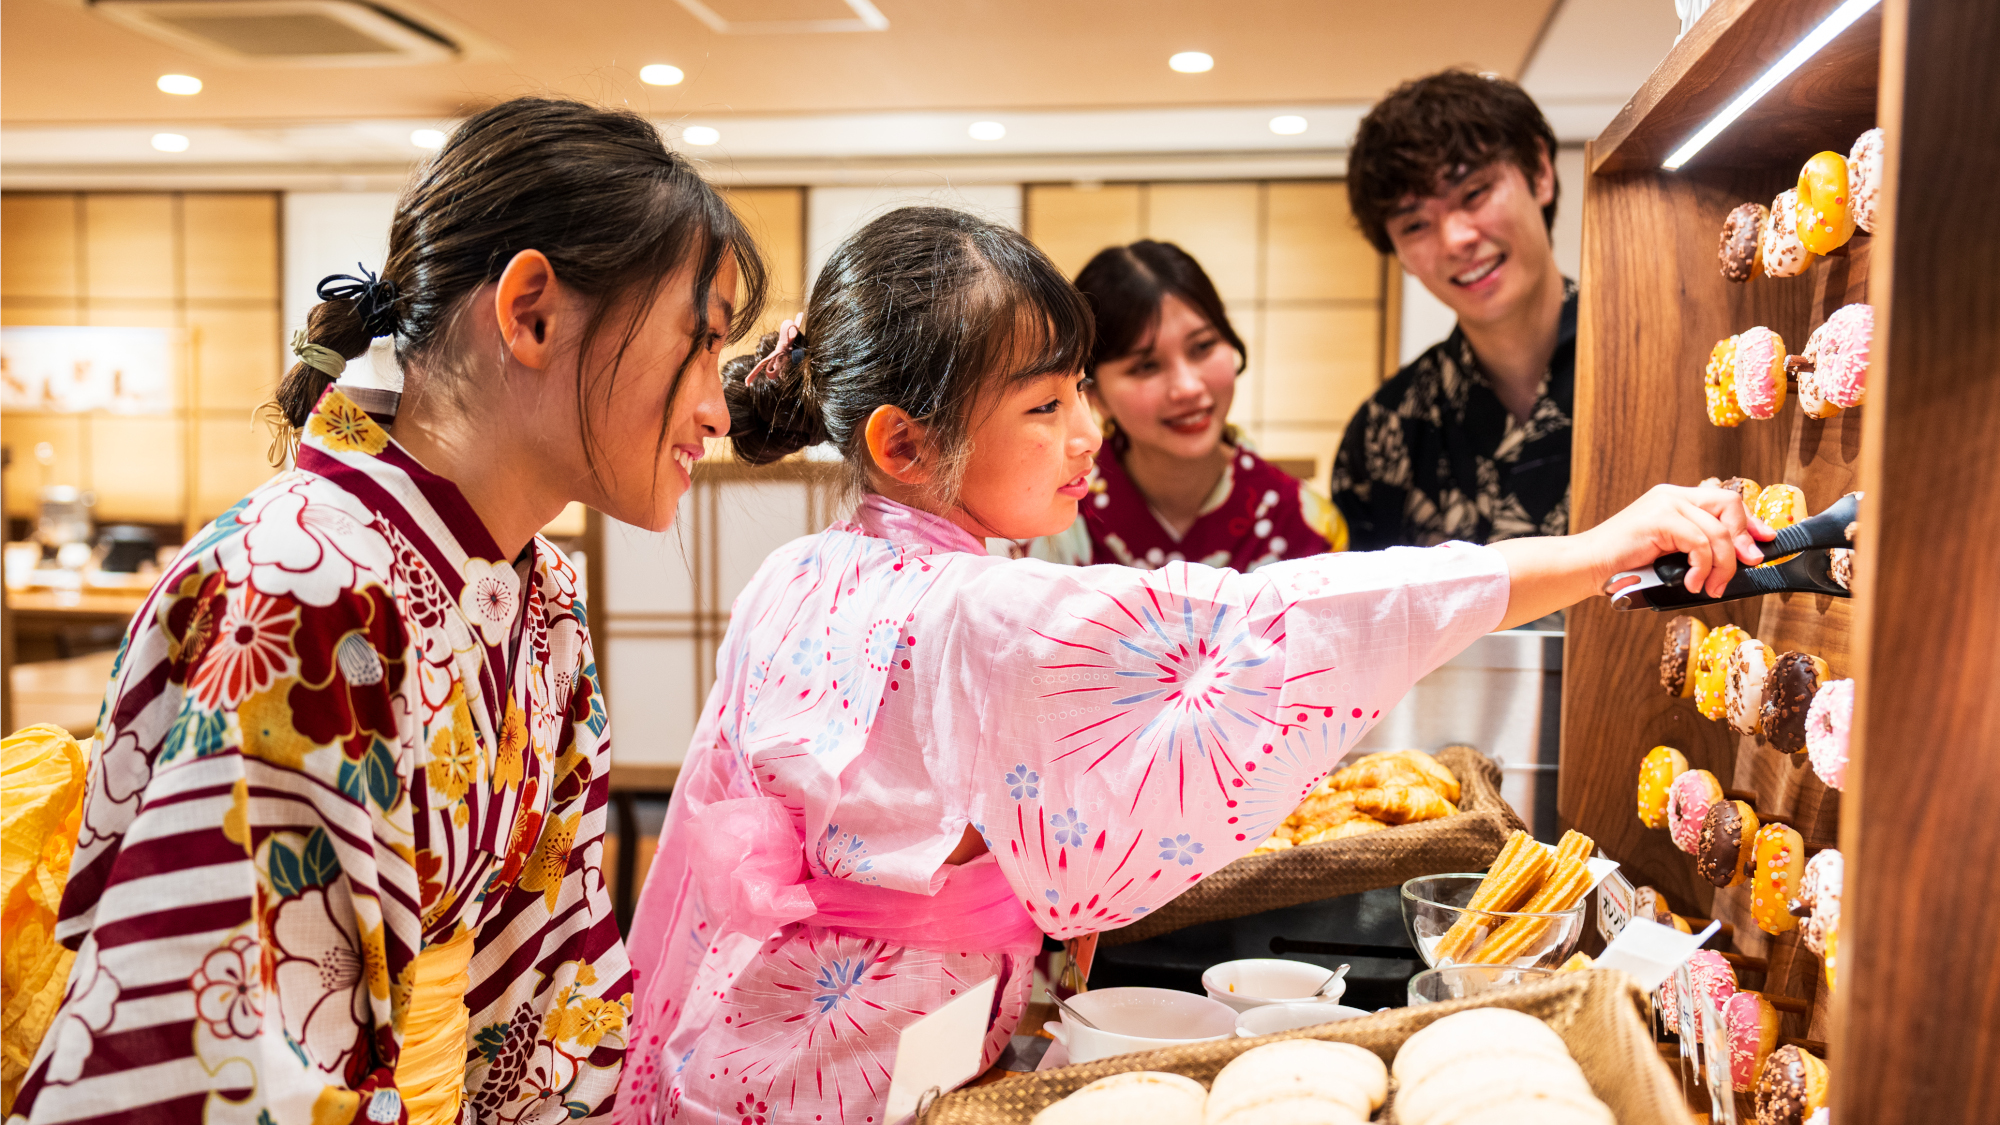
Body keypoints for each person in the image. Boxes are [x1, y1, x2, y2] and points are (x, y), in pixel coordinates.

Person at [618, 205, 1769, 1124]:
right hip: (869, 1061)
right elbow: (1265, 626)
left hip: (753, 1022)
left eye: (1078, 393)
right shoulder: (981, 607)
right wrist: (1595, 551)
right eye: (1045, 403)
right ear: (905, 444)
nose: (1087, 433)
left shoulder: (798, 573)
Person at [11, 98, 769, 1125]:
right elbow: (234, 1055)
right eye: (702, 342)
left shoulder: (536, 592)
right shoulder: (297, 587)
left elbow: (554, 981)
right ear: (532, 311)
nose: (716, 409)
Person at [1331, 69, 1577, 550]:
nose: (1456, 240)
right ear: (1397, 252)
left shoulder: (1656, 365)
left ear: (1540, 174)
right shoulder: (1384, 431)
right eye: (1417, 223)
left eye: (1475, 194)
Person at [1009, 240, 1347, 569]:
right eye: (1146, 366)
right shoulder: (1050, 524)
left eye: (1202, 347)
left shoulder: (1309, 525)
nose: (1187, 387)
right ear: (1093, 394)